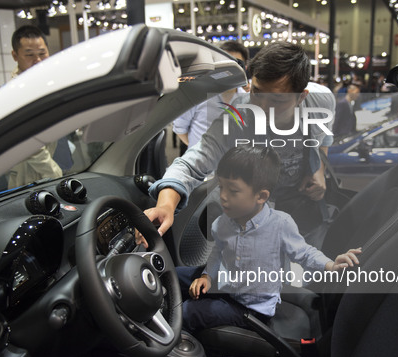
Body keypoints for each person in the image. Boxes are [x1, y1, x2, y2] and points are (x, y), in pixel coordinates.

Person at [144, 41, 336, 247]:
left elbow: (323, 138)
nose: (261, 107)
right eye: (257, 92)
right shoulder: (239, 115)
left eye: (277, 100)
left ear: (301, 96)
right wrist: (165, 205)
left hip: (306, 209)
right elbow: (192, 163)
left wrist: (318, 170)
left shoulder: (321, 101)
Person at [179, 146, 361, 332]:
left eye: (233, 191)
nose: (223, 197)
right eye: (221, 187)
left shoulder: (280, 225)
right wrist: (206, 276)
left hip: (250, 307)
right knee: (174, 276)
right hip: (224, 284)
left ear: (261, 196)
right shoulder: (222, 223)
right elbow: (217, 251)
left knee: (188, 312)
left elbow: (305, 253)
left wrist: (330, 265)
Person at [7, 25, 63, 188]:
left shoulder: (41, 83)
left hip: (42, 169)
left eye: (42, 53)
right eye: (29, 55)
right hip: (28, 174)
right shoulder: (15, 92)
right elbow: (28, 142)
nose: (37, 60)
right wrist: (52, 171)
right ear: (15, 56)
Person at [173, 41, 250, 154]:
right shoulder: (198, 95)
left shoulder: (248, 100)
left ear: (245, 67)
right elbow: (180, 129)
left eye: (237, 64)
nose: (230, 71)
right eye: (225, 63)